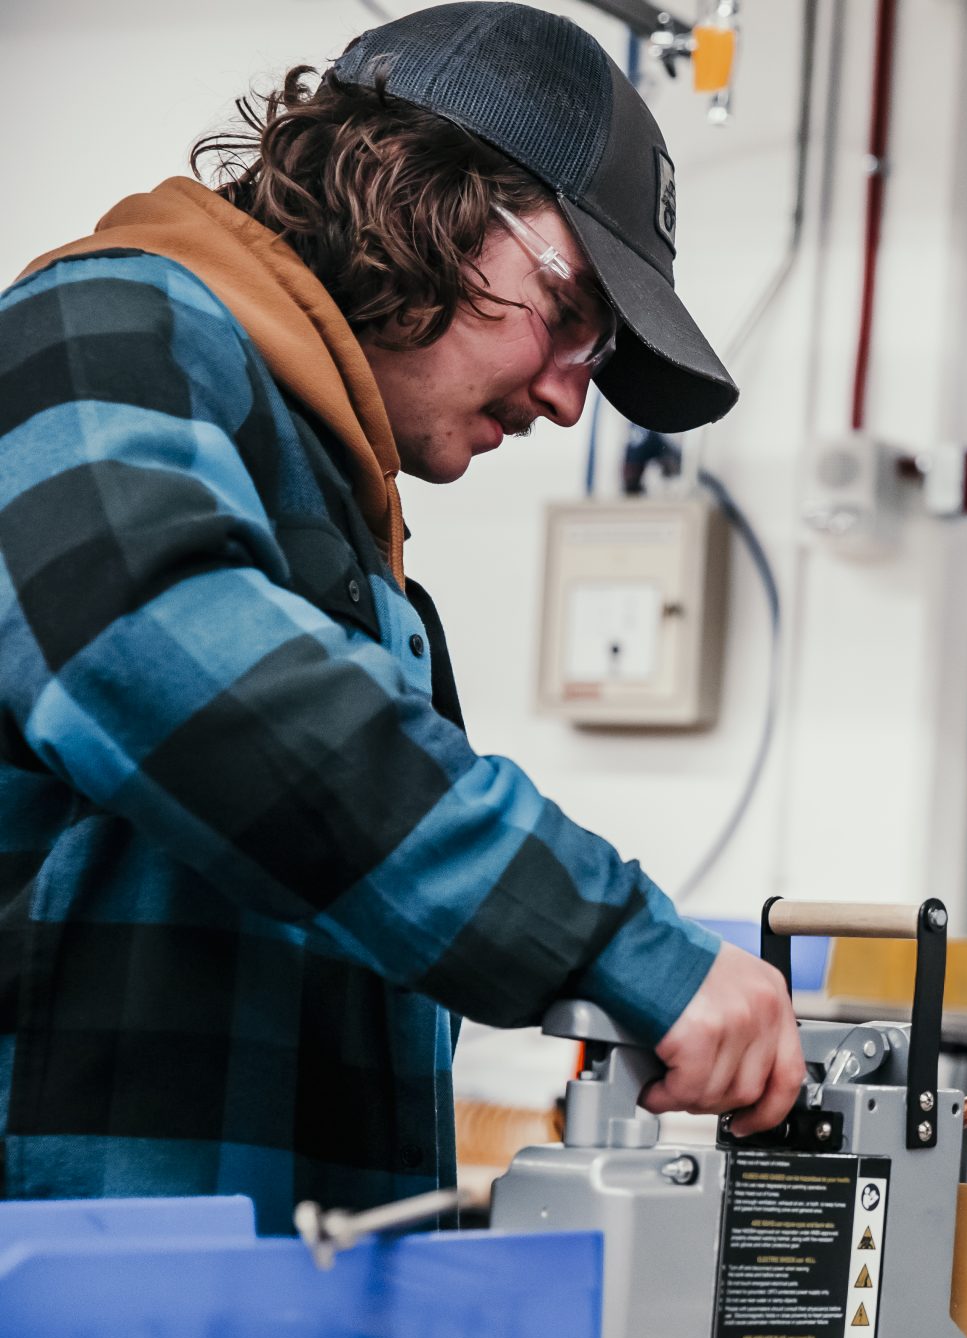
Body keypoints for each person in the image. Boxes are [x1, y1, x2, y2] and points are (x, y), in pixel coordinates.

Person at [0, 3, 802, 1228]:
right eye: (573, 314)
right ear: (423, 200)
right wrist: (620, 942)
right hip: (63, 1317)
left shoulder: (322, 499)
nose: (569, 400)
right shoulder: (101, 331)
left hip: (253, 1310)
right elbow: (154, 652)